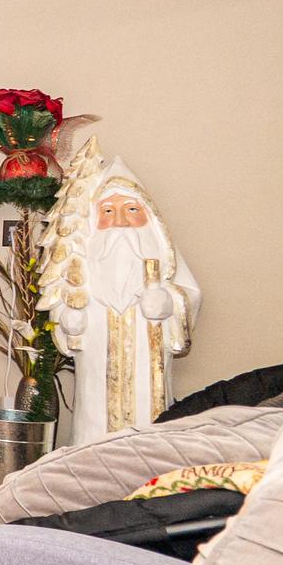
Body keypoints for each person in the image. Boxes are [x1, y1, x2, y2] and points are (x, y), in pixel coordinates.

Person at [38, 137, 201, 442]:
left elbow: (189, 296)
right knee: (92, 434)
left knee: (148, 435)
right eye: (109, 212)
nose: (121, 223)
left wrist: (166, 303)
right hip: (96, 383)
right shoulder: (84, 270)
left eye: (130, 210)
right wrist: (69, 323)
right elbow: (66, 309)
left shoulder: (164, 261)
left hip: (147, 384)